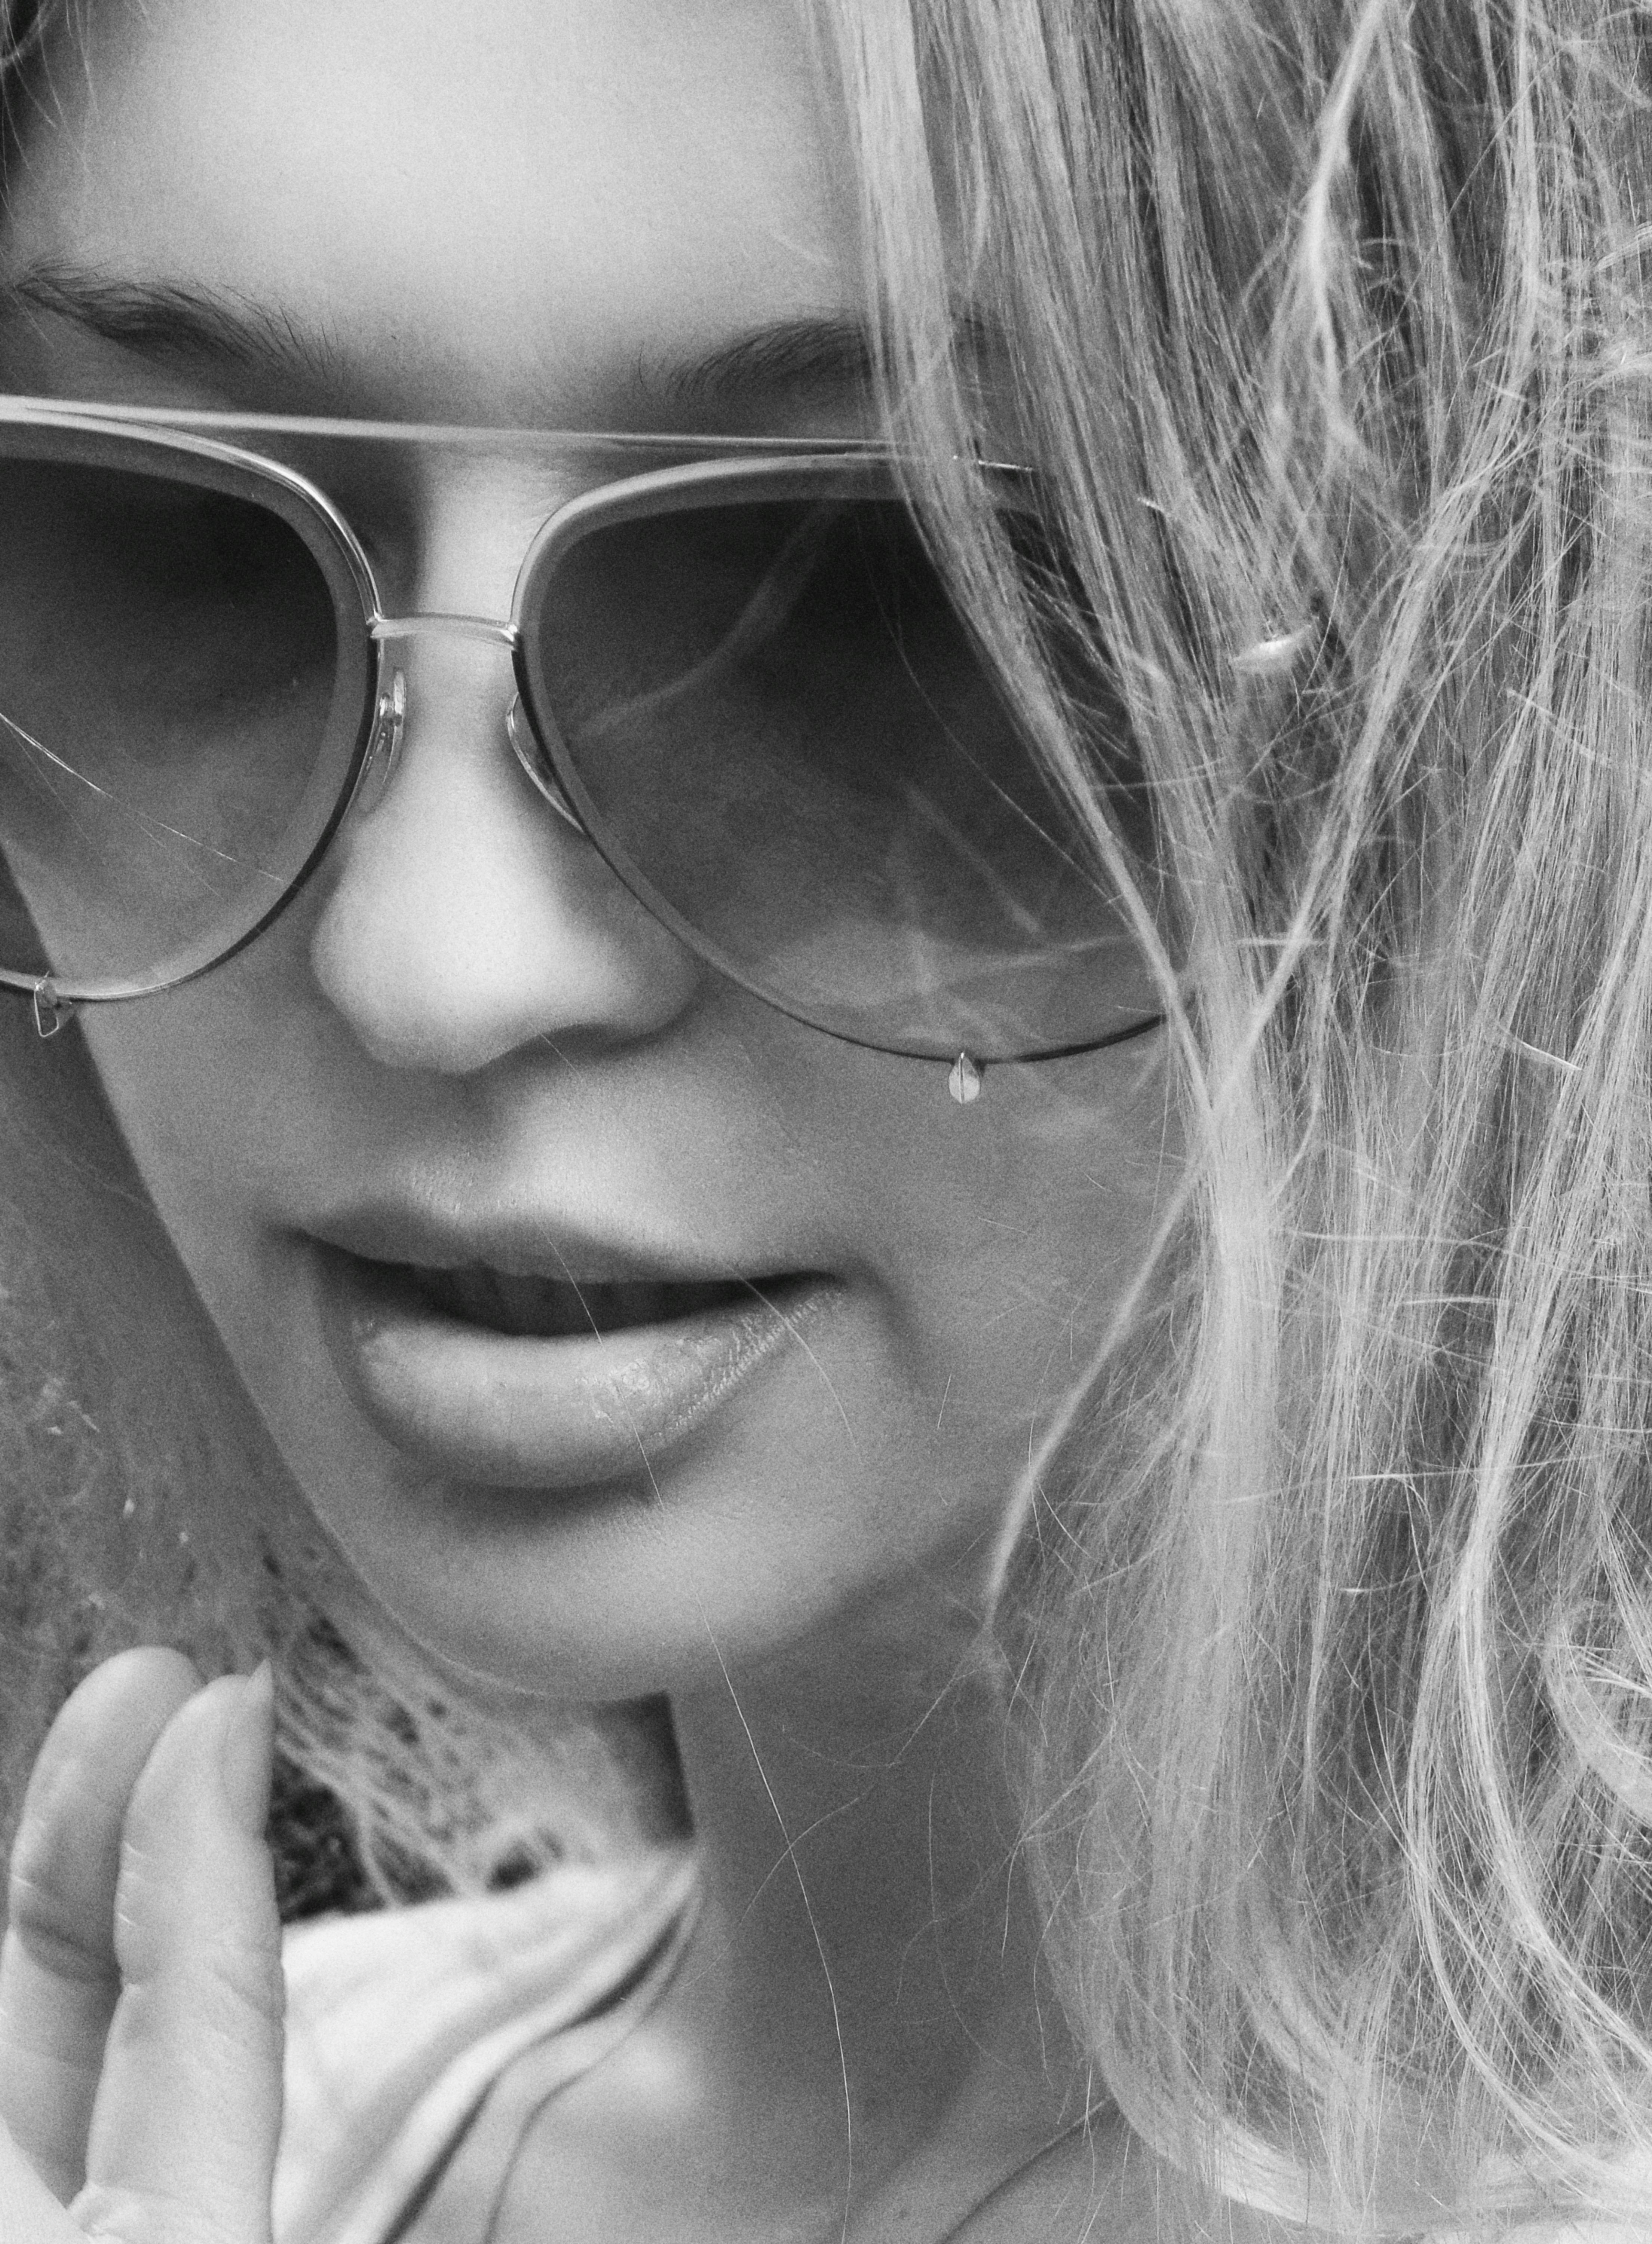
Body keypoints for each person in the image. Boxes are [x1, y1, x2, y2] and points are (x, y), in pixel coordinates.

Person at [0, 0, 1646, 2238]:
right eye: (160, 550)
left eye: (882, 606)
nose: (436, 963)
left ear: (1497, 708)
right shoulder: (187, 2145)